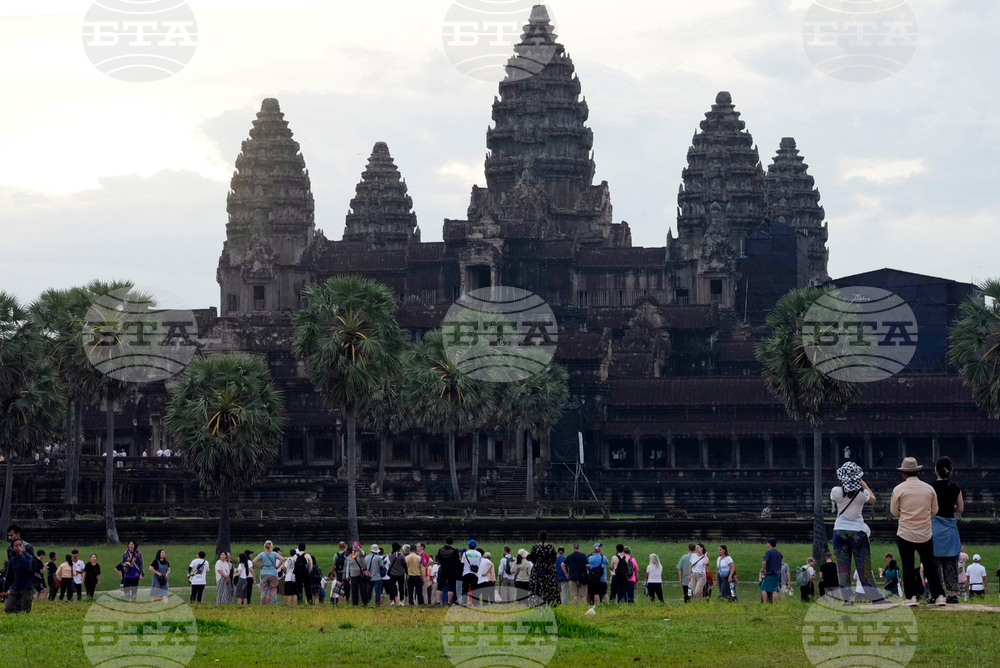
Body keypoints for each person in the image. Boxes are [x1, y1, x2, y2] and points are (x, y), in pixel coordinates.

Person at [891, 457, 946, 607]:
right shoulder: (929, 489)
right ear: (918, 471)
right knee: (930, 565)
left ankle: (911, 597)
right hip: (925, 533)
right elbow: (934, 511)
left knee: (908, 565)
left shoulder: (898, 489)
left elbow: (894, 512)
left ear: (903, 473)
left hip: (905, 533)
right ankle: (939, 596)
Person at [831, 462, 881, 603]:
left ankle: (847, 599)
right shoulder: (862, 494)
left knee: (843, 566)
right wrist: (862, 482)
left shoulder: (835, 491)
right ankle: (875, 597)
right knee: (863, 565)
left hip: (839, 530)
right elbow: (873, 498)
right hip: (858, 530)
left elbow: (836, 498)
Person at [930, 456, 964, 604]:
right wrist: (951, 507)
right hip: (949, 528)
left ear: (936, 470)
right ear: (950, 470)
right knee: (950, 562)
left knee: (935, 563)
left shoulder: (930, 487)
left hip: (935, 528)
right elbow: (961, 509)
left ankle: (938, 594)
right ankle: (953, 593)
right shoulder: (955, 488)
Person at [528, 531, 559, 607]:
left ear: (538, 538)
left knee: (536, 588)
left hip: (538, 571)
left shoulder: (535, 548)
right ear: (547, 538)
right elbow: (554, 559)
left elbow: (532, 559)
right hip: (549, 571)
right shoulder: (551, 548)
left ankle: (536, 603)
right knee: (550, 588)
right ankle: (551, 602)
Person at [3, 539, 34, 614]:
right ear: (13, 548)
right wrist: (5, 589)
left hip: (26, 587)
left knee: (25, 610)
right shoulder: (13, 560)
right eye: (16, 546)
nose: (19, 547)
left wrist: (21, 555)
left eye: (20, 545)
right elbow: (9, 575)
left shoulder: (28, 557)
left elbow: (27, 567)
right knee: (8, 607)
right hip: (15, 587)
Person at [254, 540, 282, 605]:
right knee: (273, 590)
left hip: (264, 573)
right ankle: (275, 604)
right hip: (273, 573)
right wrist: (277, 566)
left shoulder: (262, 554)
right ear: (271, 546)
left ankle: (263, 604)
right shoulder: (274, 554)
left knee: (264, 591)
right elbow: (282, 559)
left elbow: (254, 561)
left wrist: (259, 567)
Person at [436, 537, 461, 606]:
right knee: (451, 587)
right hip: (452, 571)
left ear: (445, 542)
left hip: (443, 570)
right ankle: (449, 602)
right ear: (452, 543)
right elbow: (457, 562)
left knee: (440, 586)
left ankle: (438, 601)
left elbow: (439, 560)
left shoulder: (440, 550)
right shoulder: (455, 551)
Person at [760, 538, 782, 604]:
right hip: (777, 574)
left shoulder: (768, 552)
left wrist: (763, 570)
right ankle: (774, 603)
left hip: (770, 573)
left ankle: (765, 603)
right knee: (774, 589)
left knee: (763, 588)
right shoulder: (778, 552)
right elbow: (782, 559)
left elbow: (764, 562)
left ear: (769, 544)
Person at [461, 540, 482, 606]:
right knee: (474, 589)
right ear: (475, 546)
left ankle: (464, 603)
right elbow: (479, 563)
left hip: (466, 573)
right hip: (474, 574)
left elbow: (462, 563)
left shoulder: (465, 553)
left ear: (468, 545)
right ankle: (476, 603)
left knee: (465, 589)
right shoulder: (479, 554)